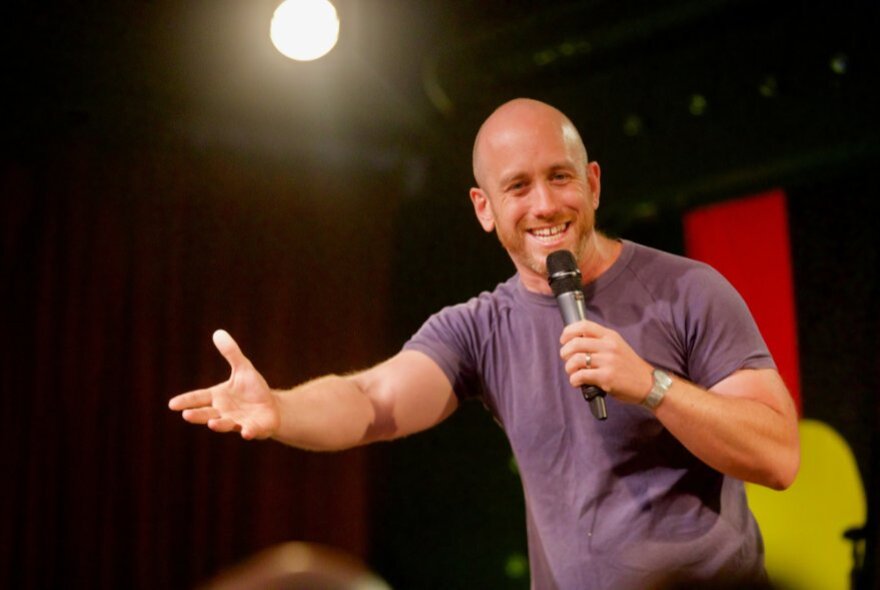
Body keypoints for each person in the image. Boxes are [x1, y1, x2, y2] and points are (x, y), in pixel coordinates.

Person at [169, 98, 800, 589]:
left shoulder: (688, 290)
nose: (546, 203)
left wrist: (653, 386)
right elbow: (371, 399)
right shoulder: (479, 327)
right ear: (484, 207)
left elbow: (778, 455)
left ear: (594, 183)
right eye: (519, 187)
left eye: (560, 177)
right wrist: (280, 409)